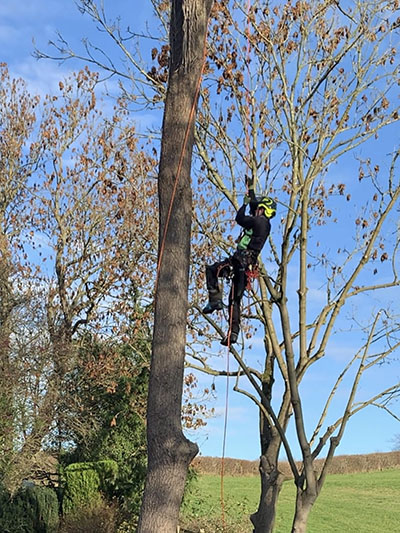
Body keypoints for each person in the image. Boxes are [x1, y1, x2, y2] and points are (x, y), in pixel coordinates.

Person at [202, 192, 276, 346]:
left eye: (258, 209)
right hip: (244, 265)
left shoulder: (261, 222)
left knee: (212, 270)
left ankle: (215, 300)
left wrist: (244, 204)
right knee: (234, 300)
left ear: (263, 210)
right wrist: (251, 194)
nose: (255, 211)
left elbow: (240, 219)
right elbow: (251, 213)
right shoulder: (262, 224)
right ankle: (233, 333)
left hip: (239, 262)